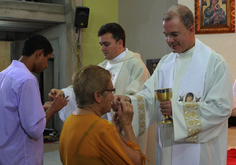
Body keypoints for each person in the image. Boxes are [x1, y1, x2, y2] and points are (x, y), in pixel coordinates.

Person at [113, 4, 233, 165]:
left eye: (174, 34)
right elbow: (149, 98)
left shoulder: (214, 63)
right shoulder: (165, 63)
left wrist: (177, 111)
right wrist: (129, 102)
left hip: (201, 152)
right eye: (166, 35)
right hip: (169, 147)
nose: (169, 40)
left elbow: (221, 107)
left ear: (191, 30)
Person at [49, 23, 150, 152]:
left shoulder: (135, 65)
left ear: (120, 43)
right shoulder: (103, 66)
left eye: (106, 44)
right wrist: (63, 93)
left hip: (123, 130)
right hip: (102, 131)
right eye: (101, 44)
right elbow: (85, 88)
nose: (102, 48)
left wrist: (123, 102)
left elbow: (141, 99)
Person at [0, 35, 69, 165]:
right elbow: (35, 129)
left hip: (6, 153)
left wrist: (41, 109)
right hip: (21, 156)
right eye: (47, 59)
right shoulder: (27, 79)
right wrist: (54, 108)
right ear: (39, 54)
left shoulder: (4, 74)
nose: (47, 66)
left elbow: (11, 112)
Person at [59, 65, 148, 165]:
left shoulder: (69, 121)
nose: (113, 96)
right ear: (98, 96)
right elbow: (137, 162)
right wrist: (127, 125)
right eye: (111, 90)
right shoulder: (102, 129)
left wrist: (114, 133)